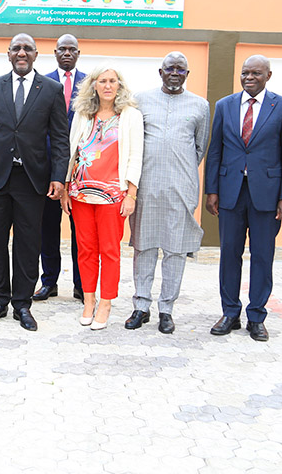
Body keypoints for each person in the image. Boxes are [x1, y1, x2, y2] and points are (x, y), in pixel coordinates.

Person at [0, 33, 69, 332]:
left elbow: (60, 138)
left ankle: (22, 304)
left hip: (32, 180)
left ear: (36, 54)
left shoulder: (51, 89)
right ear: (8, 54)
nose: (21, 53)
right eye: (16, 49)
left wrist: (58, 177)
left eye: (27, 49)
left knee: (28, 244)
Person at [205, 55, 282, 342]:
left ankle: (256, 316)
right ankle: (230, 312)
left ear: (268, 75)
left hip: (267, 196)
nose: (249, 77)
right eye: (245, 73)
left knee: (262, 257)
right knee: (229, 255)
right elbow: (215, 150)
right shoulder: (225, 105)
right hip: (231, 193)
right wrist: (212, 190)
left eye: (256, 73)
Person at [127, 52, 210, 334]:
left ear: (187, 74)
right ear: (160, 71)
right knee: (144, 246)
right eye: (169, 68)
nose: (175, 73)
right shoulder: (141, 100)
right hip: (146, 187)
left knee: (175, 250)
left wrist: (180, 170)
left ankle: (166, 309)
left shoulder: (200, 105)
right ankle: (141, 305)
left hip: (181, 188)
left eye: (180, 69)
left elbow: (199, 148)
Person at [61, 66, 143, 330]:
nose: (108, 85)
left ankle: (106, 303)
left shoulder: (130, 116)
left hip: (113, 196)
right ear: (94, 85)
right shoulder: (83, 114)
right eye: (102, 81)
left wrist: (131, 193)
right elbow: (71, 150)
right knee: (85, 250)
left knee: (109, 251)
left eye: (112, 81)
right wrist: (65, 187)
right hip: (81, 193)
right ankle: (88, 300)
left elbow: (135, 157)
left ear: (119, 85)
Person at [34, 34, 86, 303]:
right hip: (47, 167)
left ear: (78, 53)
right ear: (54, 53)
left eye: (71, 49)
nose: (67, 53)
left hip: (81, 168)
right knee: (48, 228)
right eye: (62, 50)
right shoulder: (41, 82)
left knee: (81, 230)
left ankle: (81, 284)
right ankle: (49, 281)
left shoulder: (90, 83)